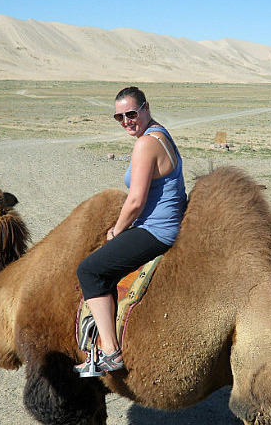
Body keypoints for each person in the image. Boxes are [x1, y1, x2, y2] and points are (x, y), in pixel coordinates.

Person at [75, 87, 187, 375]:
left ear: (146, 108)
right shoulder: (160, 134)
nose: (126, 121)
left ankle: (110, 352)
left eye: (131, 113)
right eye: (119, 117)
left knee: (89, 270)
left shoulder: (146, 144)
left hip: (156, 231)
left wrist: (116, 231)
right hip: (163, 225)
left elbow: (135, 201)